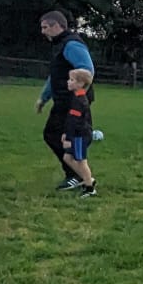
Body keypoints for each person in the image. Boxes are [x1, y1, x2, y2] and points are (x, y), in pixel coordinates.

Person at [35, 9, 95, 190]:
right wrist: (43, 98)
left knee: (60, 136)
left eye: (45, 27)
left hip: (73, 102)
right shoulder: (60, 45)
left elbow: (88, 71)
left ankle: (78, 176)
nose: (42, 31)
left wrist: (79, 96)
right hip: (62, 100)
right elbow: (55, 76)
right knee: (57, 136)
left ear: (57, 26)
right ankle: (80, 176)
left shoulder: (72, 45)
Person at [59, 67, 97, 197]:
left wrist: (69, 139)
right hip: (76, 135)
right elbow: (71, 120)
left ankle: (90, 189)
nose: (68, 82)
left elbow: (76, 123)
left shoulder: (80, 101)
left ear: (80, 84)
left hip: (80, 136)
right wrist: (65, 133)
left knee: (81, 162)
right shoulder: (76, 98)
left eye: (72, 80)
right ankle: (88, 179)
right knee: (67, 158)